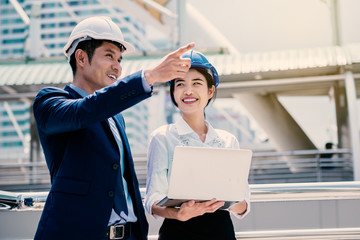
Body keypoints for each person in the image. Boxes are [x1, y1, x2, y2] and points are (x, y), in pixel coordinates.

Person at [33, 16, 194, 240]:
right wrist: (150, 76)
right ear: (81, 57)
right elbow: (84, 111)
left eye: (120, 59)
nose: (117, 66)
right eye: (109, 56)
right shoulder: (50, 102)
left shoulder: (116, 116)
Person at [145, 50, 251, 240]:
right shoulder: (162, 137)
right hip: (178, 233)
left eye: (196, 83)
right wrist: (178, 213)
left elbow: (243, 205)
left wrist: (221, 199)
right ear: (173, 93)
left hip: (221, 232)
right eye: (180, 84)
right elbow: (152, 200)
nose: (188, 91)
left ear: (210, 91)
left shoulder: (228, 141)